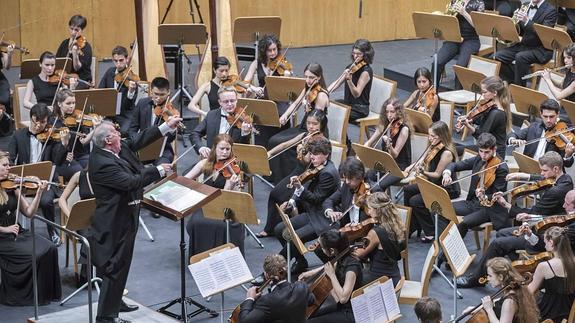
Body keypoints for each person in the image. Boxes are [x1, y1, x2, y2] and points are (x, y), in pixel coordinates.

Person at [87, 117, 179, 323]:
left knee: (122, 264)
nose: (121, 136)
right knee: (114, 267)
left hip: (126, 216)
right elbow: (131, 182)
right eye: (117, 133)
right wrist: (159, 171)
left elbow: (137, 140)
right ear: (109, 140)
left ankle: (115, 301)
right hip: (113, 223)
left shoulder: (114, 148)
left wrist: (165, 127)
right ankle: (106, 317)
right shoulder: (102, 163)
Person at [457, 151, 573, 288]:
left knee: (497, 243)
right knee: (501, 233)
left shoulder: (555, 192)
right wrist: (526, 176)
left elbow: (530, 215)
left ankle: (477, 279)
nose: (541, 174)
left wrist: (506, 205)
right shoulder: (566, 179)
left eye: (544, 171)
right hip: (545, 223)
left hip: (543, 234)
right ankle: (513, 270)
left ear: (556, 169)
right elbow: (545, 180)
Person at [58, 169, 138, 313]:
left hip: (104, 221)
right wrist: (72, 215)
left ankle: (106, 288)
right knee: (99, 240)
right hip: (84, 223)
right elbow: (62, 199)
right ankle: (107, 290)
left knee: (115, 242)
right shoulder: (78, 176)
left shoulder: (107, 175)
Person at [0, 151, 60, 306]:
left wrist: (39, 193)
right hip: (3, 237)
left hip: (16, 231)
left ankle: (46, 294)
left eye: (9, 164)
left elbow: (29, 213)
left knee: (50, 247)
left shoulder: (12, 185)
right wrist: (5, 229)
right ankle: (26, 296)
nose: (9, 168)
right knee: (36, 254)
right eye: (5, 165)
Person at [273, 137, 340, 275]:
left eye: (316, 154)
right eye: (311, 153)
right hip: (312, 212)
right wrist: (292, 201)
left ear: (326, 154)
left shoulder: (328, 173)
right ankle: (300, 260)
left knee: (293, 237)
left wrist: (300, 188)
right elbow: (304, 185)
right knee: (279, 229)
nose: (312, 157)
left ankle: (275, 268)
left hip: (322, 218)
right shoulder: (315, 165)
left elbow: (315, 199)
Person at [257, 109, 328, 237]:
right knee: (274, 194)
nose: (311, 127)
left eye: (315, 124)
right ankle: (269, 228)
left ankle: (288, 229)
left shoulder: (321, 142)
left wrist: (303, 149)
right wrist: (270, 153)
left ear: (321, 125)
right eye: (308, 123)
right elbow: (285, 144)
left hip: (309, 177)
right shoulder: (305, 135)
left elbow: (308, 162)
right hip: (297, 172)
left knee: (285, 200)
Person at [8, 103, 68, 244]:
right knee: (10, 197)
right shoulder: (18, 136)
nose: (40, 126)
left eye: (44, 122)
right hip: (24, 181)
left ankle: (52, 231)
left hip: (45, 181)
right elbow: (10, 158)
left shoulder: (51, 137)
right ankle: (17, 231)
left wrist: (64, 145)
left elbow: (58, 161)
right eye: (37, 122)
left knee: (46, 201)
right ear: (31, 118)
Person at [267, 62, 330, 182]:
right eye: (306, 76)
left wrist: (308, 109)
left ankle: (287, 177)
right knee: (273, 140)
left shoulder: (321, 96)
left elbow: (316, 120)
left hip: (314, 130)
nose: (308, 80)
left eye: (311, 77)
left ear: (319, 77)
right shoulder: (308, 88)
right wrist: (285, 115)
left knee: (287, 147)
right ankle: (275, 175)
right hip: (304, 126)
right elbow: (296, 103)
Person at [184, 134, 245, 256]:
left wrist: (232, 185)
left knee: (218, 225)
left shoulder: (232, 169)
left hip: (224, 205)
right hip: (206, 203)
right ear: (214, 148)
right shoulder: (205, 163)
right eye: (221, 149)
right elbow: (186, 179)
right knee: (196, 222)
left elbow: (225, 197)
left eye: (228, 149)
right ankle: (201, 256)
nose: (224, 152)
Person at [441, 133, 510, 239]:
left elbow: (497, 196)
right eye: (481, 151)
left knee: (463, 223)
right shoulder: (479, 158)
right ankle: (444, 242)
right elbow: (455, 165)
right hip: (473, 203)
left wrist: (484, 195)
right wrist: (447, 173)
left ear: (494, 149)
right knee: (441, 208)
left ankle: (453, 248)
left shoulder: (501, 168)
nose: (483, 155)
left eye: (487, 152)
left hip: (489, 208)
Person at [404, 121, 460, 242]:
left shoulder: (446, 153)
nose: (430, 139)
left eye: (433, 136)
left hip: (445, 188)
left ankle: (430, 231)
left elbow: (436, 175)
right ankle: (412, 224)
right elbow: (422, 161)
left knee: (415, 201)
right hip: (432, 183)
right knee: (407, 190)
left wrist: (423, 172)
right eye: (429, 135)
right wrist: (411, 166)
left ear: (442, 136)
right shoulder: (433, 145)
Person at [299, 229, 362, 323]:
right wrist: (307, 274)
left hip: (350, 313)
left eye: (323, 248)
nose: (321, 250)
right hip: (340, 307)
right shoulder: (341, 258)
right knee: (304, 317)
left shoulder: (352, 268)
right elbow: (328, 267)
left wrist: (332, 275)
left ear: (332, 250)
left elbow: (343, 299)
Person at [493, 0, 557, 86]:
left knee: (520, 57)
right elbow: (521, 30)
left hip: (541, 49)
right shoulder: (525, 5)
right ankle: (514, 81)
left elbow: (543, 33)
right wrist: (513, 24)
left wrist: (527, 21)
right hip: (524, 45)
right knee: (498, 56)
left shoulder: (550, 10)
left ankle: (519, 88)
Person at [244, 34, 292, 147]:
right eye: (269, 50)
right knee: (261, 131)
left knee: (279, 135)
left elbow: (290, 87)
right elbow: (245, 83)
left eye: (274, 49)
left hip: (280, 102)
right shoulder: (256, 63)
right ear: (263, 51)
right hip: (263, 101)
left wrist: (287, 75)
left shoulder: (283, 63)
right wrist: (255, 88)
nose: (273, 53)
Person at [462, 257, 539, 323]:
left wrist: (489, 309)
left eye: (490, 275)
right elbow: (498, 301)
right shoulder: (511, 289)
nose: (488, 279)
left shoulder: (509, 301)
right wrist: (476, 308)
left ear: (500, 277)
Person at [352, 191, 406, 286]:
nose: (368, 211)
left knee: (346, 278)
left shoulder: (375, 233)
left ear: (378, 210)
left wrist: (349, 242)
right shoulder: (398, 225)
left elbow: (358, 254)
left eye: (370, 208)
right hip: (394, 275)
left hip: (380, 280)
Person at [238, 254, 311, 323]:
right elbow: (311, 300)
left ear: (266, 275)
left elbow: (245, 321)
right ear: (286, 270)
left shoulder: (267, 301)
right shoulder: (302, 286)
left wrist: (249, 298)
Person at [455, 75, 511, 158]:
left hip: (492, 153)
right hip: (486, 147)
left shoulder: (497, 113)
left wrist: (468, 126)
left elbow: (482, 137)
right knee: (451, 146)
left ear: (495, 93)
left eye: (484, 92)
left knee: (452, 150)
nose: (482, 95)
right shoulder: (491, 106)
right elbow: (480, 119)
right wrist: (469, 119)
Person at [433, 0, 484, 89]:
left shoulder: (479, 3)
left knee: (460, 66)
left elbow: (479, 26)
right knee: (437, 62)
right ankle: (432, 93)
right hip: (454, 37)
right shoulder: (455, 1)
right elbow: (449, 19)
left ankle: (458, 98)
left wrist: (464, 12)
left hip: (471, 40)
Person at [508, 99, 575, 168]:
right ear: (541, 114)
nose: (548, 120)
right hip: (529, 168)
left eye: (552, 117)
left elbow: (568, 164)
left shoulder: (562, 135)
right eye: (545, 116)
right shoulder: (534, 127)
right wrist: (513, 140)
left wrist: (568, 155)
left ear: (558, 114)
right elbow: (512, 135)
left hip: (549, 175)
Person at [190, 86, 253, 159]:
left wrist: (245, 133)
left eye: (232, 101)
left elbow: (245, 148)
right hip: (212, 159)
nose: (230, 104)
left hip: (234, 160)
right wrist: (201, 148)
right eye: (226, 101)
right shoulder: (211, 115)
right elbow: (195, 133)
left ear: (236, 100)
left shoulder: (242, 118)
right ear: (220, 102)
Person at [528, 226, 575, 322]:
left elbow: (529, 292)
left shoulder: (544, 266)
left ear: (551, 242)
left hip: (548, 315)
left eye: (545, 242)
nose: (544, 246)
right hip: (569, 313)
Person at [364, 97, 411, 191]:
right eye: (387, 112)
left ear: (398, 112)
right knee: (367, 176)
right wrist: (362, 150)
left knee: (378, 186)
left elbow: (395, 154)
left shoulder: (404, 129)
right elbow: (370, 142)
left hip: (399, 167)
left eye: (392, 112)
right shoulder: (385, 124)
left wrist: (389, 145)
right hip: (385, 163)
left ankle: (379, 202)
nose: (389, 115)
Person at [53, 89, 99, 181]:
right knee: (81, 174)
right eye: (68, 103)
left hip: (80, 155)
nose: (72, 106)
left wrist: (95, 129)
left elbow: (84, 141)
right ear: (59, 104)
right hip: (65, 159)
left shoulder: (78, 118)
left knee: (97, 166)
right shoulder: (54, 121)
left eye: (74, 103)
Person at [188, 56, 257, 117]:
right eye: (221, 71)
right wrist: (206, 114)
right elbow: (191, 106)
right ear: (214, 70)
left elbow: (239, 102)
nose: (224, 74)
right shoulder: (207, 86)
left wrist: (251, 92)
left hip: (232, 118)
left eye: (226, 71)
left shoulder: (233, 84)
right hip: (215, 119)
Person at [129, 76, 175, 165]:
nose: (158, 98)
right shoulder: (142, 103)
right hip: (142, 146)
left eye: (162, 95)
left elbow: (170, 138)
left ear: (168, 93)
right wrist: (136, 141)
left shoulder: (171, 111)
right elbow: (133, 128)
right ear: (151, 91)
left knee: (162, 167)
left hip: (162, 149)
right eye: (156, 94)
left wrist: (173, 129)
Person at [328, 39, 374, 123]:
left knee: (336, 115)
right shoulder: (351, 67)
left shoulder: (366, 72)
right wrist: (325, 92)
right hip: (348, 104)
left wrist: (349, 80)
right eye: (354, 53)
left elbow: (356, 94)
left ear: (365, 55)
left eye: (359, 54)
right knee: (328, 107)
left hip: (359, 109)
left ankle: (343, 136)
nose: (355, 56)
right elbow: (337, 83)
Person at [98, 45, 138, 135]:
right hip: (109, 112)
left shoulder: (132, 78)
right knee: (99, 131)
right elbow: (100, 91)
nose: (118, 64)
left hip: (124, 114)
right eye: (115, 61)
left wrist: (130, 92)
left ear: (127, 59)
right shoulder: (110, 72)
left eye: (121, 60)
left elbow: (129, 105)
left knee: (123, 131)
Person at [322, 157, 369, 228]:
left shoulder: (372, 190)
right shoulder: (346, 186)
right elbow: (329, 200)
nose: (347, 181)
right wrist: (330, 212)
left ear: (360, 176)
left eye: (350, 178)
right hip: (345, 229)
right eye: (345, 178)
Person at [56, 14, 93, 89]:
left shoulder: (86, 47)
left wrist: (75, 53)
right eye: (71, 28)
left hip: (80, 80)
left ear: (82, 30)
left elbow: (77, 68)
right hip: (64, 78)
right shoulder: (64, 43)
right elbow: (57, 62)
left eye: (76, 30)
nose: (73, 32)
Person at [0, 42, 14, 135]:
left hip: (0, 80)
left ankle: (5, 123)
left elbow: (7, 67)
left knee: (5, 98)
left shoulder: (1, 53)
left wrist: (9, 55)